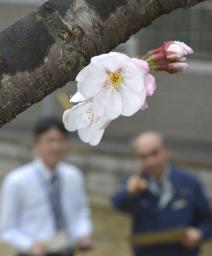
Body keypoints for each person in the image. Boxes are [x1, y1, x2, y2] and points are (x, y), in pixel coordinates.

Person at [0, 117, 93, 256]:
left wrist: (83, 234)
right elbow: (7, 229)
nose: (56, 147)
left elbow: (80, 212)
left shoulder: (73, 176)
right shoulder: (16, 181)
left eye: (60, 140)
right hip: (32, 252)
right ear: (36, 144)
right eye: (50, 140)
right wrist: (30, 245)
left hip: (67, 250)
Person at [112, 131, 212, 256]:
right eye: (143, 156)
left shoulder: (189, 182)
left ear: (166, 151)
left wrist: (200, 233)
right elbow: (117, 204)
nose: (150, 161)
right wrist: (130, 192)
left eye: (154, 153)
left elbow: (207, 220)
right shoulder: (134, 183)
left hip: (182, 251)